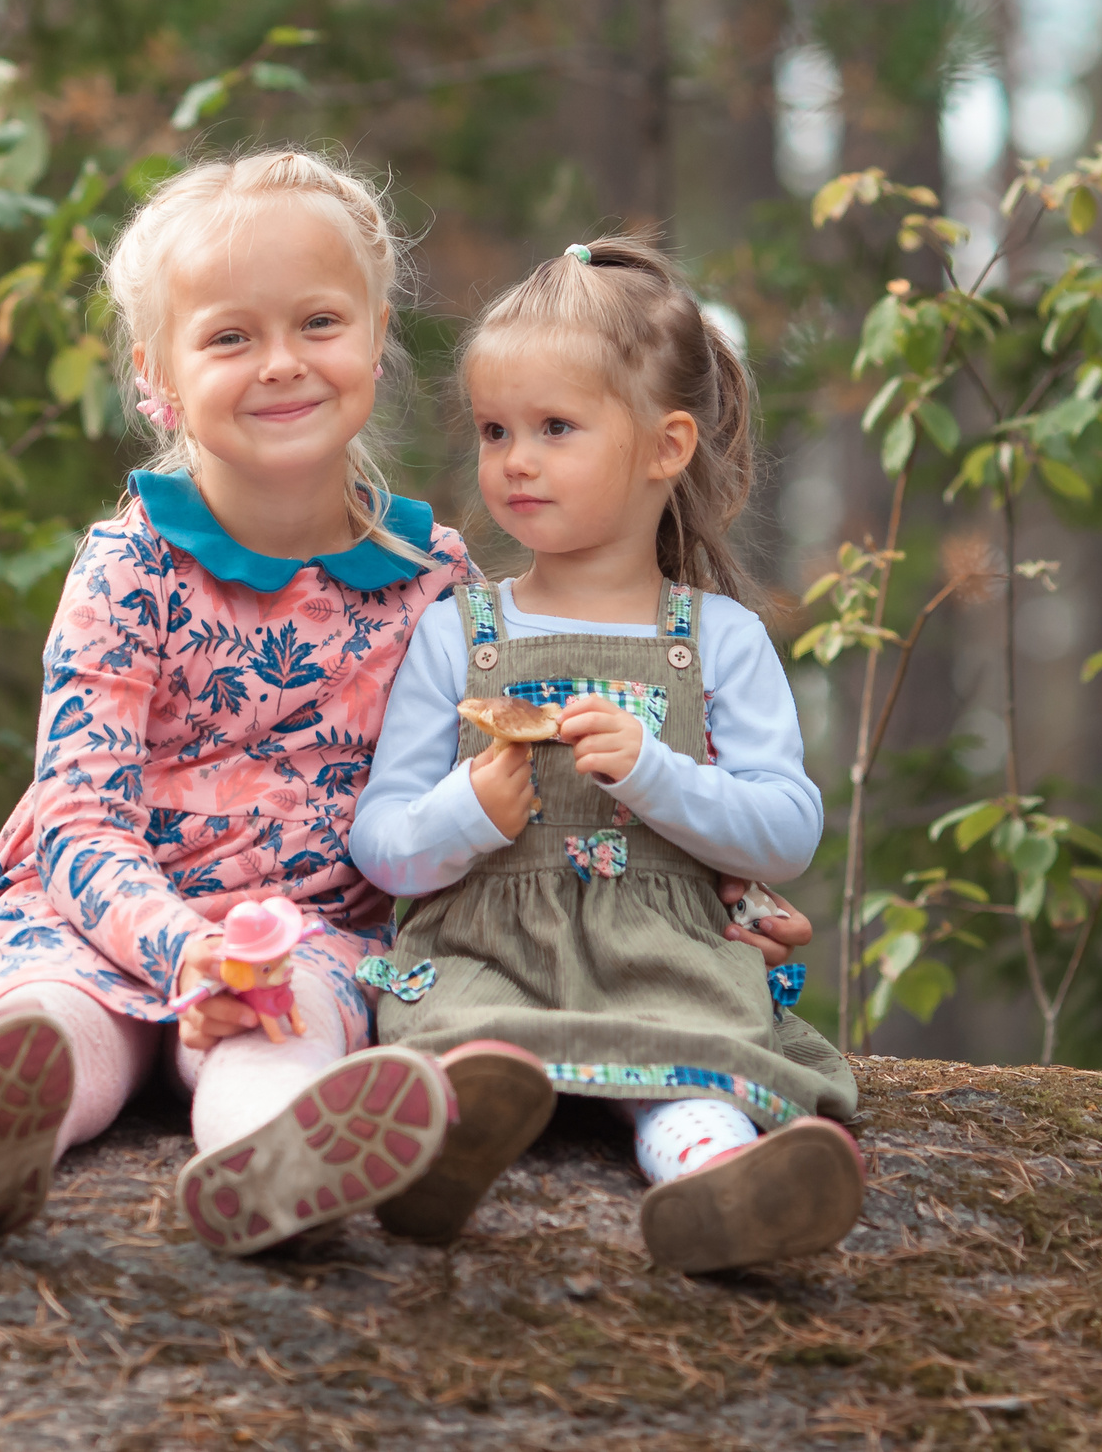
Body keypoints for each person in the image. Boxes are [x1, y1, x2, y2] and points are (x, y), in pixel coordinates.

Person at [0, 148, 475, 1254]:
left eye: (318, 322)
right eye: (231, 336)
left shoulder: (435, 584)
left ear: (377, 336)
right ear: (161, 376)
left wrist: (709, 897)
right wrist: (180, 948)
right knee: (55, 1015)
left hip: (307, 930)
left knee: (294, 1023)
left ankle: (267, 1166)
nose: (281, 363)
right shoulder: (129, 569)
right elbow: (77, 813)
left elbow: (494, 785)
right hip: (96, 914)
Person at [348, 237, 861, 1275]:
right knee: (458, 1041)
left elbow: (787, 826)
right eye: (495, 430)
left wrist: (654, 771)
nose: (513, 461)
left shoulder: (717, 637)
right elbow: (380, 844)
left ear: (665, 446)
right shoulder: (459, 631)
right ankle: (443, 1154)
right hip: (487, 951)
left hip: (661, 954)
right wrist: (465, 815)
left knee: (695, 1067)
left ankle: (716, 1186)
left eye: (553, 429)